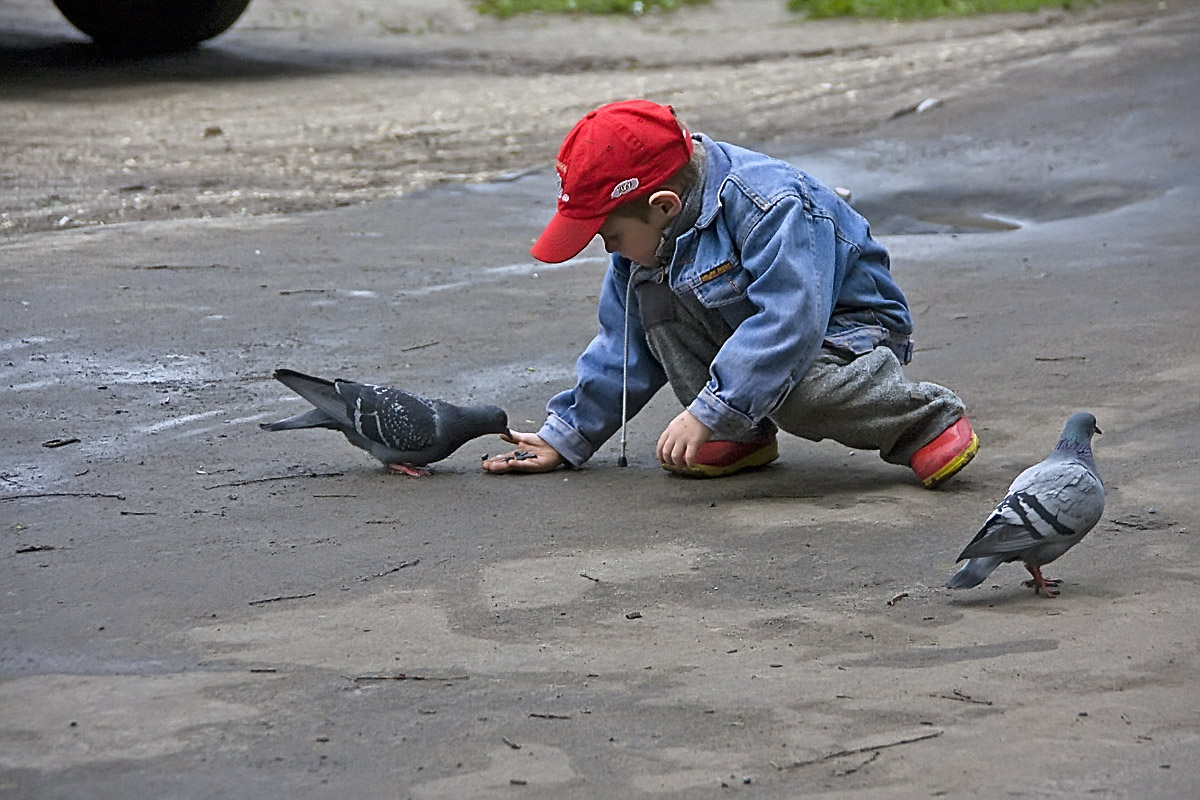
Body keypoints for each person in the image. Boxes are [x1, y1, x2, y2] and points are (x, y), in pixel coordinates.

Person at [482, 99, 977, 487]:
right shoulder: (648, 242)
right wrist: (567, 435)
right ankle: (741, 431)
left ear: (664, 204)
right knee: (655, 300)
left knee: (797, 396)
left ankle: (923, 422)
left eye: (608, 237)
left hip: (844, 329)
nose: (609, 250)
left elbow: (791, 319)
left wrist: (708, 409)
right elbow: (624, 345)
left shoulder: (771, 202)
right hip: (757, 332)